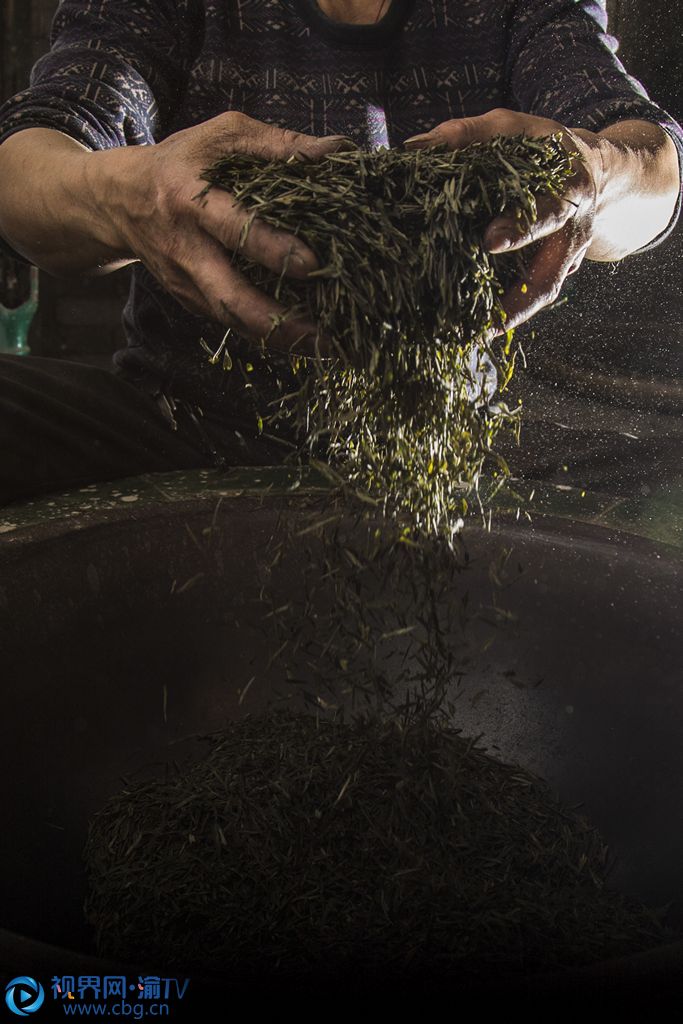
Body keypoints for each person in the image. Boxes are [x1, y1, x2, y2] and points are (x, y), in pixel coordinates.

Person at [0, 0, 680, 506]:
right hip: (182, 418)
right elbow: (30, 164)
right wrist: (128, 194)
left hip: (438, 432)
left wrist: (597, 172)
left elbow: (654, 168)